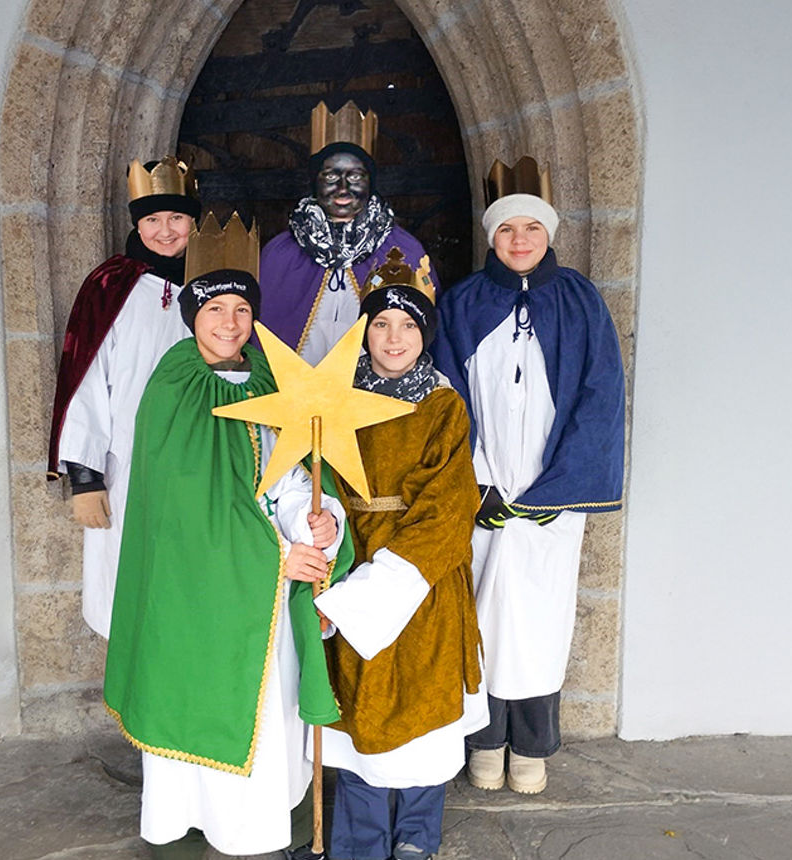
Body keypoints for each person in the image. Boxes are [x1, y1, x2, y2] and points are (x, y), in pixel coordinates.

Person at [102, 216, 353, 860]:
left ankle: (252, 830)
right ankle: (183, 823)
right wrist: (278, 557)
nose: (230, 322)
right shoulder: (174, 385)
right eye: (215, 308)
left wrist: (316, 523)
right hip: (197, 593)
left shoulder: (270, 379)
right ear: (193, 314)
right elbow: (184, 512)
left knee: (265, 712)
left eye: (242, 308)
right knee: (194, 702)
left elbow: (289, 477)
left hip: (264, 594)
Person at [431, 189, 625, 794]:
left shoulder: (580, 301)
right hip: (483, 493)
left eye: (531, 228)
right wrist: (471, 482)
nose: (520, 240)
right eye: (508, 229)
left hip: (551, 495)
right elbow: (443, 392)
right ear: (491, 237)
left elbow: (600, 395)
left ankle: (532, 747)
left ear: (549, 234)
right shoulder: (462, 302)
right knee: (482, 618)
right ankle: (485, 742)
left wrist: (561, 488)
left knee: (540, 622)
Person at [313, 249, 487, 860]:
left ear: (425, 334)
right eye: (382, 323)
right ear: (364, 331)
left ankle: (416, 833)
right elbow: (320, 480)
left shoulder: (442, 405)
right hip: (352, 557)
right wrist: (326, 531)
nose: (394, 338)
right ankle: (358, 842)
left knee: (423, 701)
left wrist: (385, 583)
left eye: (408, 324)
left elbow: (447, 506)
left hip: (421, 575)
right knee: (359, 705)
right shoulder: (335, 402)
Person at [46, 157, 199, 638]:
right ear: (137, 224)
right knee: (127, 585)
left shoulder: (216, 285)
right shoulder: (111, 286)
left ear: (194, 220)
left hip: (199, 458)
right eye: (152, 219)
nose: (165, 231)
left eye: (176, 217)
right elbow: (86, 381)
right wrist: (86, 479)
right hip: (126, 462)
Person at [260, 101, 438, 364]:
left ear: (370, 183)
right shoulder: (281, 253)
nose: (343, 188)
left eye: (355, 177)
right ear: (315, 182)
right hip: (295, 384)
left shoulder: (403, 250)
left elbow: (423, 330)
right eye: (331, 177)